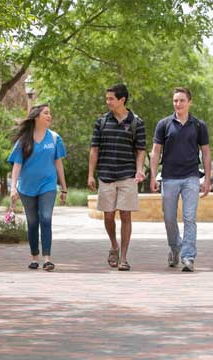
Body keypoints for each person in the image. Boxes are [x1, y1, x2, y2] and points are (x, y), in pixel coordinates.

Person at [149, 87, 211, 272]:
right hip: (168, 178)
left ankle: (188, 257)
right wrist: (153, 176)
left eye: (182, 100)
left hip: (191, 177)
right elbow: (155, 152)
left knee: (189, 218)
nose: (178, 104)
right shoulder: (164, 124)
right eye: (175, 100)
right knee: (169, 218)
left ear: (189, 102)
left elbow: (206, 153)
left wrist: (207, 179)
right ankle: (175, 248)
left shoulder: (199, 125)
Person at [88, 84, 146, 271]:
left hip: (127, 174)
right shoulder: (102, 121)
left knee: (126, 215)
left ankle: (124, 257)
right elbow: (94, 149)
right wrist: (91, 174)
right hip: (106, 175)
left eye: (111, 98)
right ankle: (114, 244)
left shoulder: (137, 122)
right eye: (107, 99)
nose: (108, 102)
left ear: (122, 100)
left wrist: (139, 170)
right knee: (108, 216)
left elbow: (141, 150)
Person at [8, 104, 68, 272]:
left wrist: (64, 187)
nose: (50, 116)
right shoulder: (24, 140)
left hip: (48, 185)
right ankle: (35, 257)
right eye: (46, 113)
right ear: (36, 117)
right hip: (26, 187)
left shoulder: (55, 138)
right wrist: (13, 188)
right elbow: (17, 166)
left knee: (46, 218)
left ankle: (47, 259)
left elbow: (58, 163)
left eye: (50, 113)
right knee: (33, 222)